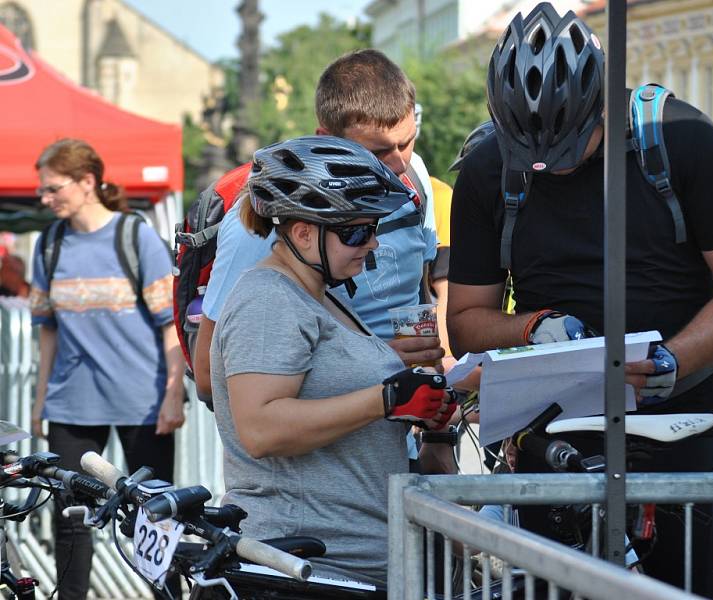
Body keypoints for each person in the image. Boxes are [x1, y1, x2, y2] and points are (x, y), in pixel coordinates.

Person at [447, 4, 713, 597]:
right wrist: (531, 328)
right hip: (555, 443)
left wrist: (675, 358)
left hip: (682, 432)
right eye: (532, 151)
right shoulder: (489, 171)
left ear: (602, 102)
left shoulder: (681, 140)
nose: (551, 166)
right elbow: (465, 323)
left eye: (571, 146)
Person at [210, 136, 454, 585]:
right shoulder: (268, 300)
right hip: (308, 569)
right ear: (304, 232)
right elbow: (261, 428)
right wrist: (385, 398)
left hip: (353, 567)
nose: (373, 243)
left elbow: (331, 381)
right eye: (357, 231)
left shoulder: (323, 295)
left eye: (373, 228)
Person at [194, 49, 443, 401]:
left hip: (400, 443)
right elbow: (209, 375)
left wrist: (437, 433)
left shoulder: (415, 178)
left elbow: (417, 293)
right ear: (326, 136)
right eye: (379, 152)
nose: (398, 165)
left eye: (407, 141)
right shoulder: (272, 219)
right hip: (316, 449)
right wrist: (377, 367)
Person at [28, 139, 185, 600]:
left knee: (154, 520)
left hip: (143, 403)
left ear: (86, 183)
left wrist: (174, 394)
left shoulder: (134, 237)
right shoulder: (49, 245)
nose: (43, 197)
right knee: (70, 520)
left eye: (52, 188)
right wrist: (41, 400)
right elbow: (47, 330)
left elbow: (170, 326)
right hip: (72, 404)